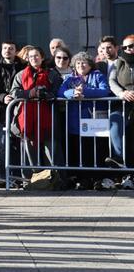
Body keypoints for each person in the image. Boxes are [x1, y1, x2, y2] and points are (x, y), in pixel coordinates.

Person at [58, 52, 114, 187]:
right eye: (78, 63)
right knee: (78, 149)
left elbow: (105, 91)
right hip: (75, 121)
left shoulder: (98, 75)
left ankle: (95, 178)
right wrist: (72, 93)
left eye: (84, 63)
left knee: (95, 149)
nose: (81, 65)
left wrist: (85, 92)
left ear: (90, 65)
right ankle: (81, 178)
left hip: (94, 120)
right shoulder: (69, 78)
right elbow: (61, 92)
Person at [7, 46, 62, 169]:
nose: (34, 58)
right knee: (29, 150)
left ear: (42, 57)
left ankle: (53, 179)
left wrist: (44, 94)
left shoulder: (52, 74)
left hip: (48, 117)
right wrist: (28, 94)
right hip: (26, 119)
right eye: (31, 56)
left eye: (36, 55)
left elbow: (57, 91)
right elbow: (14, 91)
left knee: (50, 150)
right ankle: (30, 179)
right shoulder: (21, 75)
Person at [107, 35, 134, 175]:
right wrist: (122, 93)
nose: (128, 49)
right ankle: (119, 158)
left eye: (131, 46)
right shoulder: (118, 63)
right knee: (115, 120)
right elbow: (111, 81)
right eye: (125, 47)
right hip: (125, 103)